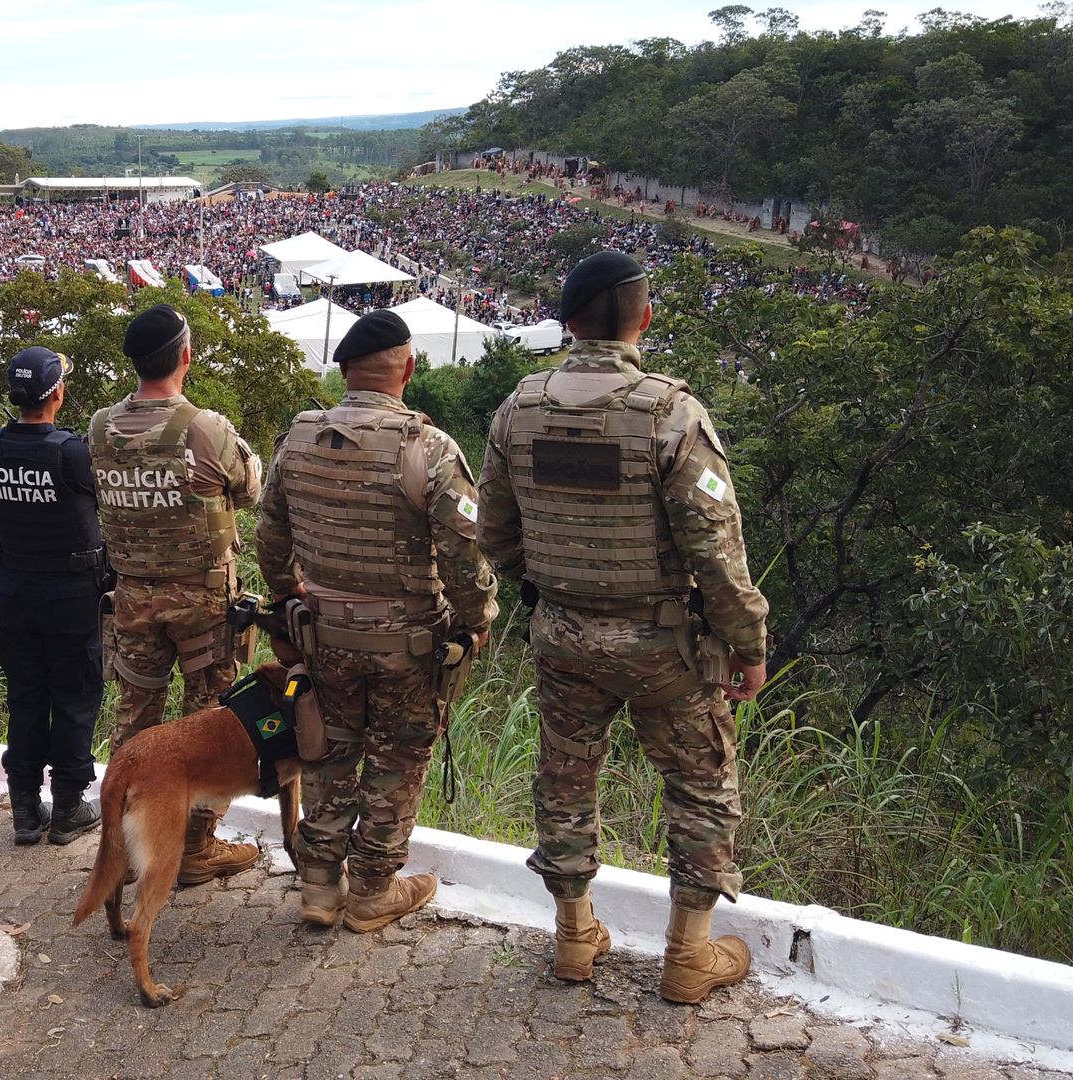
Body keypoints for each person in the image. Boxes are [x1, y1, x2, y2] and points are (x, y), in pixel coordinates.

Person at [475, 250, 770, 1004]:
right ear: (644, 317)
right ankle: (687, 958)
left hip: (563, 636)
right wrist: (748, 644)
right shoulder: (673, 413)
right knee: (700, 788)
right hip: (664, 645)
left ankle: (575, 940)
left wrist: (549, 587)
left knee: (565, 779)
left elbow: (496, 534)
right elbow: (717, 548)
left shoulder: (519, 408)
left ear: (567, 322)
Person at [255, 310, 499, 933]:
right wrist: (478, 621)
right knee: (396, 761)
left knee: (327, 752)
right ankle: (369, 889)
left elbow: (270, 535)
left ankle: (317, 886)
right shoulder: (429, 448)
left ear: (343, 372)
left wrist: (289, 598)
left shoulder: (298, 439)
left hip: (324, 635)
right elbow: (465, 554)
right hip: (407, 646)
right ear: (409, 369)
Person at [91, 303, 262, 884]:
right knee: (210, 722)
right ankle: (194, 849)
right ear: (185, 355)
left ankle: (122, 844)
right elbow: (249, 488)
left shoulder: (98, 427)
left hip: (134, 599)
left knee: (136, 716)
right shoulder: (205, 428)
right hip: (204, 604)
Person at [0, 347, 104, 846]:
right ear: (57, 393)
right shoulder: (70, 451)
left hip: (15, 591)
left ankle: (26, 808)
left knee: (26, 697)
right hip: (70, 593)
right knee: (74, 696)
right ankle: (68, 806)